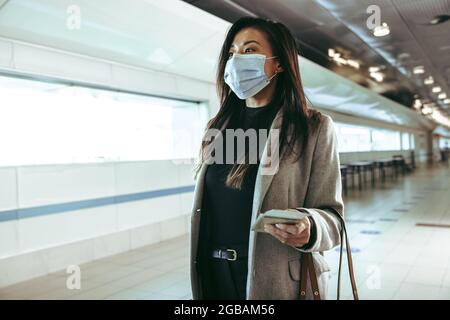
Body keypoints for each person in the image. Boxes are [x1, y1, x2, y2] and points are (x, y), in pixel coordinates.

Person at [190, 17, 344, 300]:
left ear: (279, 63)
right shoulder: (217, 127)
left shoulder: (313, 128)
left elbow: (334, 220)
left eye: (249, 50)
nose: (236, 60)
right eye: (232, 53)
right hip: (213, 275)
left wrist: (310, 227)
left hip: (276, 281)